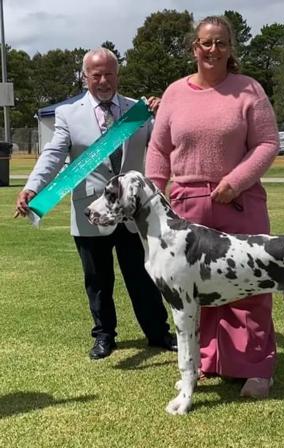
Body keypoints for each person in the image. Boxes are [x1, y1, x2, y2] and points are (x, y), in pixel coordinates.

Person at [145, 16, 279, 398]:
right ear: (194, 48)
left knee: (250, 284)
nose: (213, 50)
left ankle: (255, 368)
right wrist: (154, 194)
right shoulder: (174, 93)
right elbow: (159, 149)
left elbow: (267, 143)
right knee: (192, 290)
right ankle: (205, 361)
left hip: (239, 201)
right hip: (187, 204)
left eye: (221, 43)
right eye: (206, 42)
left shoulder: (249, 89)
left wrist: (236, 180)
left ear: (230, 48)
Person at [16, 47, 177, 359]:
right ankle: (104, 336)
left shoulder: (139, 110)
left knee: (143, 277)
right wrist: (33, 187)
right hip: (90, 211)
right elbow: (53, 155)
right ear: (85, 76)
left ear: (118, 75)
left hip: (133, 213)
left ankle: (158, 333)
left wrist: (164, 112)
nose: (103, 81)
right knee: (97, 280)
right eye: (96, 75)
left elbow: (164, 142)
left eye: (109, 74)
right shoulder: (68, 114)